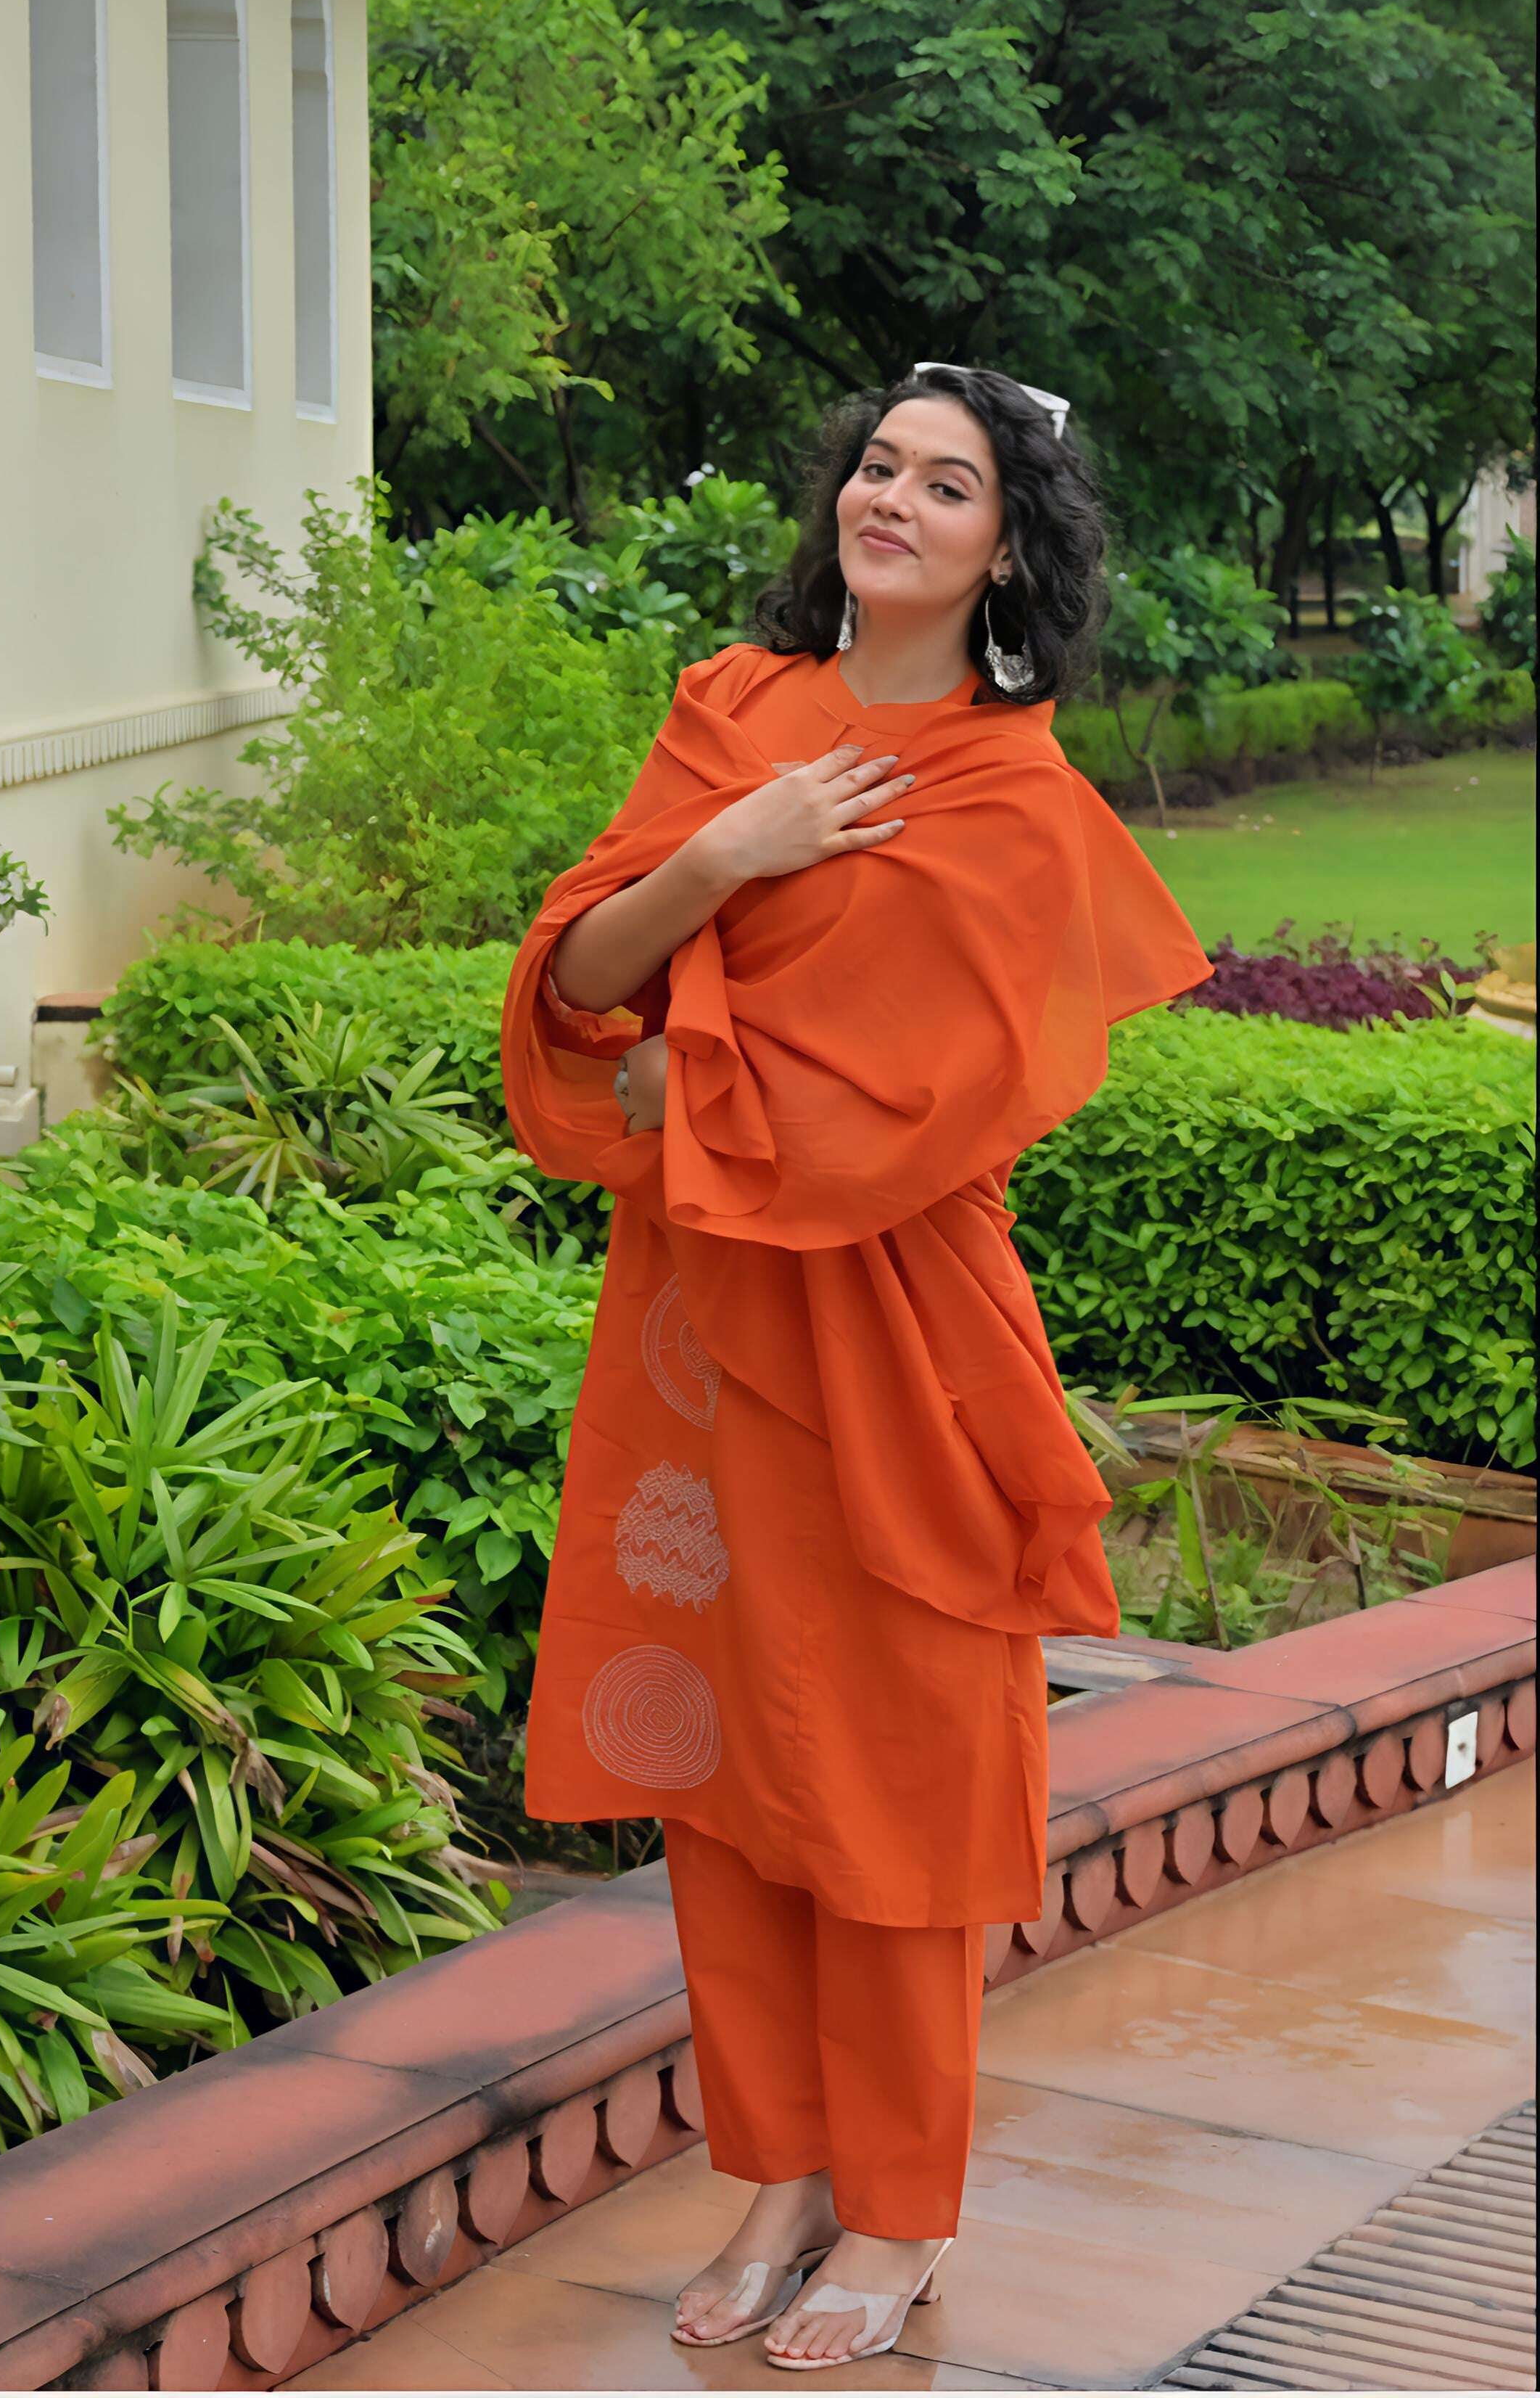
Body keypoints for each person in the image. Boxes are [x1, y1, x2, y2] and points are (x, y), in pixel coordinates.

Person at [499, 366, 1210, 2370]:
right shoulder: (734, 713)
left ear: (1010, 544)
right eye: (878, 466)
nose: (894, 498)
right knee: (730, 1779)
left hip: (893, 1340)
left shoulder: (1013, 802)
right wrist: (728, 854)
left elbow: (918, 1104)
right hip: (700, 1334)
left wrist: (678, 1072)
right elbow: (575, 986)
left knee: (889, 1785)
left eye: (948, 481)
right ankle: (777, 2172)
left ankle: (898, 2217)